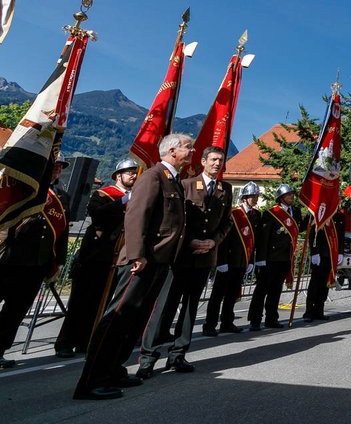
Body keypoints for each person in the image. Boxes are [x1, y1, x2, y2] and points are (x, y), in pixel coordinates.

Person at [73, 133, 192, 400]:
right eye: (188, 146)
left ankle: (114, 369)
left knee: (134, 321)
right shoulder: (153, 176)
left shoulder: (174, 181)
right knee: (117, 318)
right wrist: (137, 254)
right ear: (172, 150)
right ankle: (90, 381)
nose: (192, 150)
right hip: (143, 260)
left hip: (160, 260)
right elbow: (137, 215)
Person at [137, 146, 232, 378]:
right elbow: (177, 219)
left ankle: (178, 354)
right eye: (213, 159)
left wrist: (213, 242)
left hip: (205, 257)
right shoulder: (187, 184)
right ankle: (148, 358)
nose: (217, 164)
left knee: (190, 308)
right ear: (203, 161)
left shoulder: (225, 189)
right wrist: (190, 241)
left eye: (221, 160)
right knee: (165, 307)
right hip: (180, 256)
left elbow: (226, 222)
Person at [54, 158, 137, 359]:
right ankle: (66, 342)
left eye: (135, 173)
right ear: (119, 176)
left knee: (102, 301)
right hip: (95, 256)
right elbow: (98, 215)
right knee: (81, 302)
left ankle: (86, 341)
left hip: (116, 257)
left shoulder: (135, 199)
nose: (133, 176)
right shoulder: (103, 194)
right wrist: (123, 201)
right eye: (129, 172)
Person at [0, 182, 69, 369]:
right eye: (53, 165)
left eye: (59, 167)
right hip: (9, 259)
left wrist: (59, 260)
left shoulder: (60, 196)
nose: (55, 170)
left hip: (37, 263)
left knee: (15, 312)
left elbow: (63, 232)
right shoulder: (21, 182)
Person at [204, 181, 261, 335]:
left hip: (242, 260)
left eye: (256, 196)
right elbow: (224, 240)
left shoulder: (256, 215)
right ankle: (210, 325)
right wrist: (221, 261)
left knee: (232, 294)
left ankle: (227, 322)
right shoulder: (234, 214)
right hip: (228, 260)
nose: (255, 199)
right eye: (252, 196)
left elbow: (254, 240)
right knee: (218, 295)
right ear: (244, 198)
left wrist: (251, 261)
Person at [248, 184, 302, 330]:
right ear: (281, 197)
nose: (292, 196)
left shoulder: (296, 212)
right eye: (288, 194)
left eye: (292, 194)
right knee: (261, 290)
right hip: (270, 257)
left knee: (276, 290)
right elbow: (264, 238)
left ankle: (272, 318)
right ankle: (255, 319)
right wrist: (261, 259)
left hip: (285, 257)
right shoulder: (271, 213)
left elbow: (299, 228)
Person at [303, 212, 343, 322]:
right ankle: (309, 312)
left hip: (331, 255)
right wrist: (314, 252)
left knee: (325, 285)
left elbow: (341, 235)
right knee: (314, 284)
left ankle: (319, 311)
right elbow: (313, 234)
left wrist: (340, 252)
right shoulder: (320, 214)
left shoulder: (339, 216)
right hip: (319, 255)